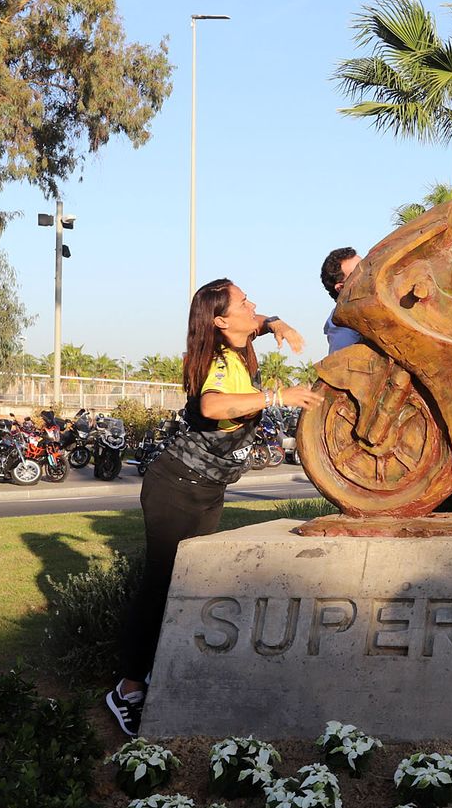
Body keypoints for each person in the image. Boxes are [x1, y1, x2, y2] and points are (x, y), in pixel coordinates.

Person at [105, 280, 324, 736]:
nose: (254, 305)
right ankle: (127, 689)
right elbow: (211, 405)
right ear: (222, 321)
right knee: (161, 584)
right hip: (177, 489)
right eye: (245, 303)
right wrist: (277, 397)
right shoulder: (221, 362)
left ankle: (167, 667)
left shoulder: (238, 341)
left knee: (190, 583)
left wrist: (274, 322)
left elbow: (257, 324)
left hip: (206, 489)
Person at [320, 246, 362, 355]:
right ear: (341, 288)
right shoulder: (343, 327)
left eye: (366, 265)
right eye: (357, 273)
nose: (367, 272)